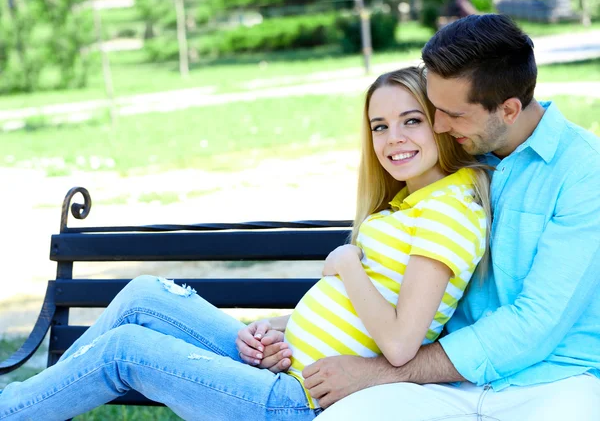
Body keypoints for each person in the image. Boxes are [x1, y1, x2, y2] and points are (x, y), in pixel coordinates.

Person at [0, 67, 491, 420]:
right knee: (145, 295)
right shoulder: (410, 203)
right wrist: (272, 329)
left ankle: (14, 410)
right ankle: (31, 405)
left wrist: (347, 263)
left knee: (127, 350)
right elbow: (353, 313)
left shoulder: (450, 209)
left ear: (441, 123)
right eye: (379, 126)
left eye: (411, 120)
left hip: (294, 401)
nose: (392, 138)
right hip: (279, 366)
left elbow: (402, 343)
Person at [305, 14, 600, 421]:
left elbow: (537, 323)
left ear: (509, 110)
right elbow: (389, 266)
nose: (438, 125)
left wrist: (380, 373)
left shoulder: (585, 172)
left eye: (453, 114)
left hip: (553, 382)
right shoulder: (454, 154)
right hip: (445, 385)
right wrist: (289, 323)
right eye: (434, 109)